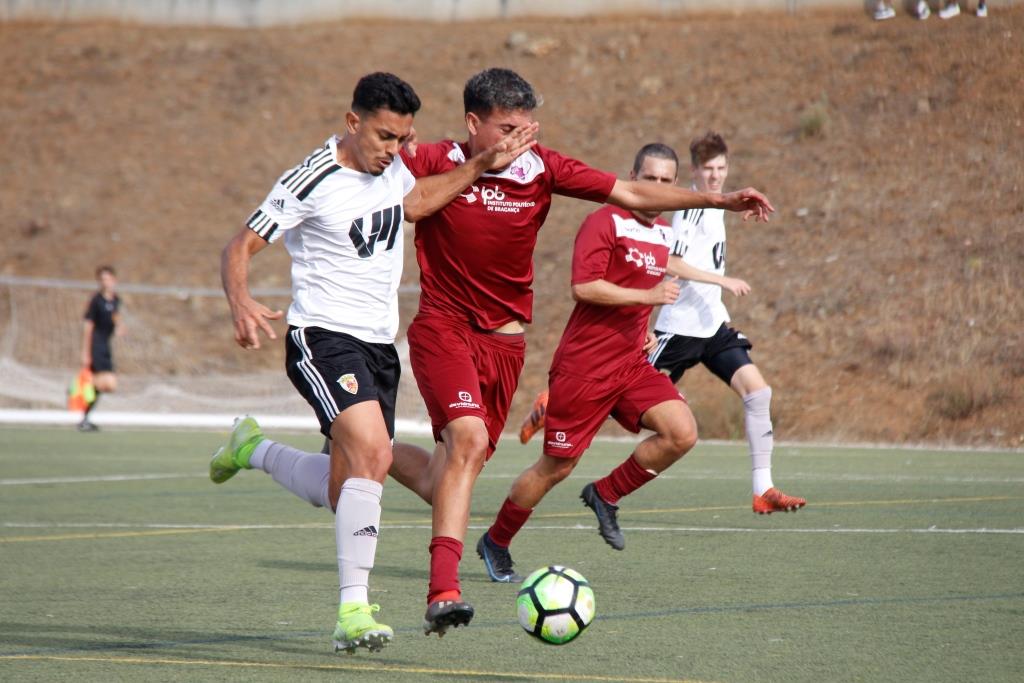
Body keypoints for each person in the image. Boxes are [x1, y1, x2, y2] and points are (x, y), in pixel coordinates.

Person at [397, 68, 774, 636]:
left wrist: (716, 199)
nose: (518, 140)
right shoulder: (437, 156)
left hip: (506, 345)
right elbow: (408, 205)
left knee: (446, 472)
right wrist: (479, 166)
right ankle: (443, 591)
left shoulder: (542, 166)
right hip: (445, 327)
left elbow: (633, 194)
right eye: (506, 128)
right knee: (473, 443)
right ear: (473, 124)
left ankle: (359, 450)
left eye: (526, 127)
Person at [210, 72, 536, 654]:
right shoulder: (311, 179)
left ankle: (251, 448)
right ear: (353, 121)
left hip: (379, 348)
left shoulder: (399, 168)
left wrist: (478, 166)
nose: (396, 149)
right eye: (386, 136)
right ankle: (353, 611)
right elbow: (241, 244)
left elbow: (417, 202)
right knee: (374, 453)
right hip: (322, 337)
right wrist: (240, 301)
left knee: (348, 487)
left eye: (404, 137)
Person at [518, 133, 805, 517]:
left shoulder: (717, 208)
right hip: (678, 326)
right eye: (709, 170)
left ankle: (762, 488)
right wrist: (721, 280)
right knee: (605, 397)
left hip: (712, 322)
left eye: (722, 169)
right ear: (694, 172)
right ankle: (553, 401)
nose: (716, 177)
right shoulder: (679, 209)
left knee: (758, 394)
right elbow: (667, 261)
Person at [478, 143, 700, 582]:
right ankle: (496, 540)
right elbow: (585, 287)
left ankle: (605, 494)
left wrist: (644, 327)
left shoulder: (662, 235)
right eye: (648, 177)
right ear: (631, 175)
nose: (654, 187)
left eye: (664, 181)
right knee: (556, 467)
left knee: (682, 432)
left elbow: (634, 295)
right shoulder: (605, 220)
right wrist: (647, 297)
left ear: (674, 187)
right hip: (584, 367)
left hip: (631, 365)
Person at [78, 265, 122, 431]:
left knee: (107, 385)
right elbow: (88, 326)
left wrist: (119, 326)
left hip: (106, 345)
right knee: (107, 384)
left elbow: (115, 315)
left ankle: (85, 416)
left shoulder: (116, 299)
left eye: (108, 278)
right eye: (102, 279)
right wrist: (85, 352)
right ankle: (84, 416)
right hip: (96, 344)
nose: (106, 282)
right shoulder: (96, 301)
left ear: (114, 280)